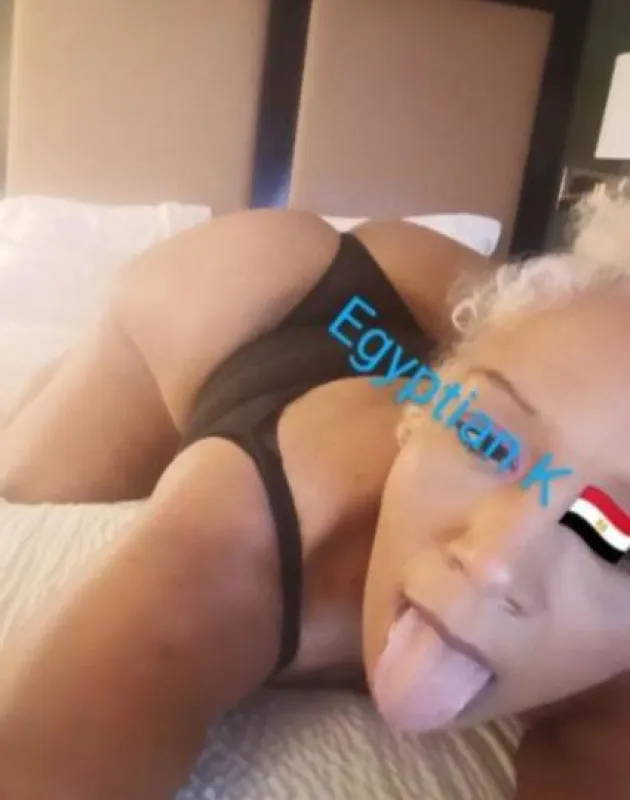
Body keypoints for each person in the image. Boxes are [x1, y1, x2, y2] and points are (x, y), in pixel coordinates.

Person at [0, 197, 629, 799]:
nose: (494, 564)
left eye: (610, 533)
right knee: (21, 474)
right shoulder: (234, 540)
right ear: (420, 410)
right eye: (482, 440)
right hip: (251, 294)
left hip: (469, 314)